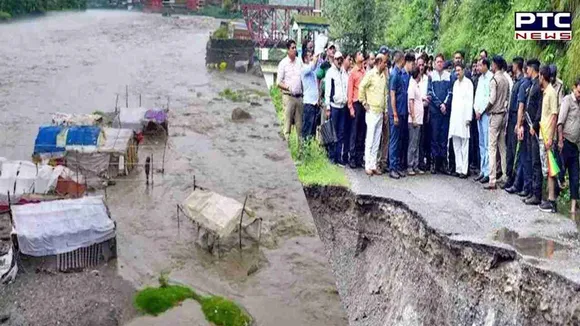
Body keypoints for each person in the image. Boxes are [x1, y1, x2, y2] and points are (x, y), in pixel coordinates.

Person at [483, 56, 510, 190]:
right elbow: (507, 99)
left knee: (492, 147)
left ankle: (492, 179)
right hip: (503, 115)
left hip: (494, 115)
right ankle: (505, 175)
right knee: (502, 147)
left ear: (495, 65)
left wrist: (486, 109)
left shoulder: (494, 80)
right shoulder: (505, 79)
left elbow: (492, 99)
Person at [359, 54, 388, 176]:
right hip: (371, 111)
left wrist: (385, 110)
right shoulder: (371, 74)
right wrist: (364, 102)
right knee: (370, 138)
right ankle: (367, 165)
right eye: (385, 62)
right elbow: (361, 87)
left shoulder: (383, 76)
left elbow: (385, 94)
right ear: (379, 62)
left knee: (377, 139)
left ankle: (373, 164)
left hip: (380, 111)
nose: (386, 64)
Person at [506, 61, 532, 197]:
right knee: (518, 153)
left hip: (520, 121)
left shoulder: (525, 83)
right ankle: (517, 183)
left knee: (520, 154)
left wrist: (519, 124)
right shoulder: (522, 82)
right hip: (517, 120)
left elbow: (522, 106)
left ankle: (519, 184)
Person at [537, 65, 560, 213]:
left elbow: (554, 115)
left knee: (550, 168)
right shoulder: (546, 92)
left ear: (542, 77)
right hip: (543, 135)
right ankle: (549, 198)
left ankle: (552, 201)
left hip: (547, 137)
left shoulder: (551, 93)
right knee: (547, 169)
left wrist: (550, 138)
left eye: (539, 75)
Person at [388, 52, 414, 179]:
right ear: (402, 60)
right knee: (394, 141)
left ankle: (397, 166)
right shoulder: (394, 74)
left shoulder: (401, 73)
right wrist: (395, 113)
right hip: (396, 113)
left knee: (399, 141)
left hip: (403, 111)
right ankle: (392, 167)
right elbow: (392, 95)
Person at [557, 78, 580, 214]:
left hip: (575, 146)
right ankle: (552, 200)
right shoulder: (567, 100)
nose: (579, 94)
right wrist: (560, 140)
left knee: (575, 177)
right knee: (559, 173)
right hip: (565, 143)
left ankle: (572, 209)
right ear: (574, 88)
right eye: (579, 91)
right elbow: (560, 122)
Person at [522, 59, 544, 206]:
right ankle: (531, 190)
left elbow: (539, 110)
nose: (526, 72)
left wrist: (534, 125)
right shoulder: (532, 85)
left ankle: (537, 194)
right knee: (531, 159)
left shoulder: (538, 86)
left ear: (532, 69)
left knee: (536, 162)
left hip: (534, 128)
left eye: (528, 69)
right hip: (529, 126)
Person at [428, 53, 453, 174]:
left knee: (443, 138)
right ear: (434, 63)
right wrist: (439, 104)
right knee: (434, 137)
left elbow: (450, 92)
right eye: (437, 62)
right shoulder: (431, 76)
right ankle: (433, 163)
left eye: (441, 62)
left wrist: (445, 104)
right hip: (435, 112)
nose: (439, 64)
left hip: (445, 112)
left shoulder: (448, 76)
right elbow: (430, 92)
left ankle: (443, 163)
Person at [277, 39, 304, 151]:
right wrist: (288, 87)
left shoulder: (300, 62)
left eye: (295, 47)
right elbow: (278, 82)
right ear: (288, 50)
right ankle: (286, 152)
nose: (294, 50)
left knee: (300, 127)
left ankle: (300, 152)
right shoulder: (283, 63)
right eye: (292, 48)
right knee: (287, 125)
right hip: (288, 97)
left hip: (299, 97)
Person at [448, 63, 474, 178]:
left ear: (463, 70)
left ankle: (464, 170)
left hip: (464, 118)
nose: (457, 73)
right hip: (455, 118)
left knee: (464, 144)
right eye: (456, 71)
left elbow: (470, 102)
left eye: (459, 70)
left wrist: (469, 118)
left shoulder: (468, 83)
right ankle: (458, 169)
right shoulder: (455, 84)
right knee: (456, 144)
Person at [504, 57, 526, 189]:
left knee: (514, 150)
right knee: (510, 148)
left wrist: (518, 123)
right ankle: (510, 177)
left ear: (516, 65)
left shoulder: (522, 82)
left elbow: (520, 105)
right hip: (511, 117)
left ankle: (513, 179)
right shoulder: (517, 81)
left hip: (515, 118)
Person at [325, 51, 349, 166]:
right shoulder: (330, 72)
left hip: (343, 106)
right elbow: (328, 91)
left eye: (341, 59)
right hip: (334, 106)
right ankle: (331, 156)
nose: (339, 61)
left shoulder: (344, 73)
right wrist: (328, 107)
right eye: (337, 59)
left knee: (341, 133)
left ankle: (339, 157)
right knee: (332, 133)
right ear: (334, 59)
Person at [473, 58, 493, 184]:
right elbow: (478, 96)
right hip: (478, 114)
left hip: (485, 114)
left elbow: (488, 97)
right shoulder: (480, 78)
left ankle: (488, 172)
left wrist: (481, 111)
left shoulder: (490, 78)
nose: (478, 67)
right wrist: (476, 110)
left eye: (480, 65)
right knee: (481, 144)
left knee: (487, 144)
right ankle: (482, 170)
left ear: (485, 65)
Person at [347, 51, 367, 168]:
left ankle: (360, 157)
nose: (361, 55)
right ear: (355, 58)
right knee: (354, 132)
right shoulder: (353, 73)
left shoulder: (365, 72)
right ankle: (352, 157)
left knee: (361, 131)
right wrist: (350, 107)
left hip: (363, 104)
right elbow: (350, 91)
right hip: (356, 103)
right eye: (359, 54)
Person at [407, 67, 425, 175]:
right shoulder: (412, 86)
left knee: (417, 143)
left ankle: (416, 165)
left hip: (419, 119)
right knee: (413, 143)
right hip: (414, 119)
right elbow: (411, 102)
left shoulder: (417, 85)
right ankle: (410, 165)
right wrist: (413, 117)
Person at [378, 49, 393, 174]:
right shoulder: (374, 73)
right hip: (377, 109)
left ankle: (383, 161)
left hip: (387, 109)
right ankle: (375, 161)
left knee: (386, 136)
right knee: (377, 136)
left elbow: (388, 90)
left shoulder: (388, 73)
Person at [300, 50, 320, 141]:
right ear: (305, 58)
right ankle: (304, 150)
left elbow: (316, 66)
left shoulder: (313, 70)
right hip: (308, 103)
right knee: (306, 130)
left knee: (312, 131)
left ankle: (310, 150)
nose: (312, 58)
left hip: (315, 104)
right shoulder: (304, 69)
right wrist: (315, 58)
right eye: (309, 56)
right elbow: (312, 66)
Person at [417, 57, 431, 172]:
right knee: (416, 137)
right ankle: (416, 161)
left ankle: (422, 161)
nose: (421, 67)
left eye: (422, 65)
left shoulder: (427, 79)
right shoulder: (414, 80)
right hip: (416, 110)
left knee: (424, 136)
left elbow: (429, 95)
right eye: (419, 65)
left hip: (425, 110)